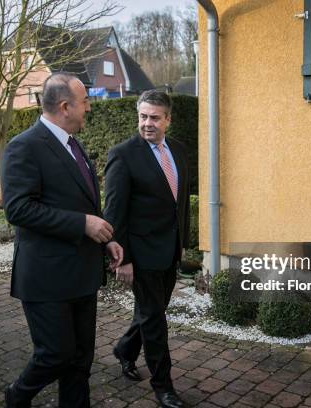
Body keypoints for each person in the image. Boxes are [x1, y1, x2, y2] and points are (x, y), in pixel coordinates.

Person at [1, 72, 123, 408]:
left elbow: (81, 201)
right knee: (55, 355)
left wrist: (104, 240)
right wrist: (83, 223)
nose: (89, 108)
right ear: (66, 106)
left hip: (82, 274)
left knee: (80, 361)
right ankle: (17, 395)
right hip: (46, 277)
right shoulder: (23, 146)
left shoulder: (73, 143)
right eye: (85, 102)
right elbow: (19, 209)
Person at [103, 90, 190, 408]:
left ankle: (125, 349)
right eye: (142, 116)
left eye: (154, 117)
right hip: (140, 254)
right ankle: (163, 386)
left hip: (170, 251)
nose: (147, 123)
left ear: (168, 119)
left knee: (152, 313)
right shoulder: (123, 154)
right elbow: (114, 211)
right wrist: (121, 258)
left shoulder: (179, 151)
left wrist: (184, 243)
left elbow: (180, 205)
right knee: (154, 320)